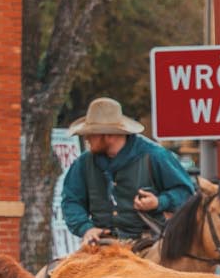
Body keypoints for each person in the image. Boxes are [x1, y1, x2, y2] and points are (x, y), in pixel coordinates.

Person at [58, 97, 193, 244]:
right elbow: (71, 201)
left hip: (148, 245)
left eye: (91, 133)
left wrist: (159, 202)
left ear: (108, 135)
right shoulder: (84, 163)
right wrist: (86, 228)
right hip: (103, 244)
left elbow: (186, 194)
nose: (86, 138)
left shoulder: (155, 156)